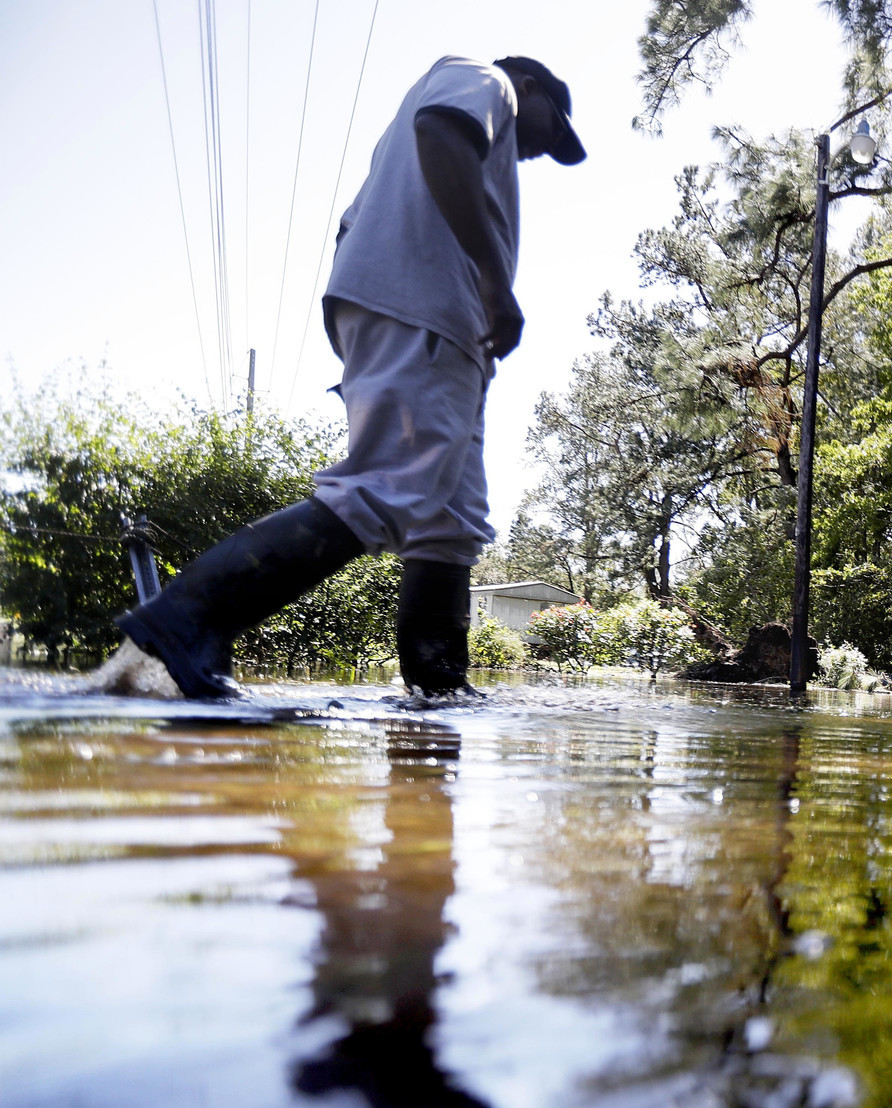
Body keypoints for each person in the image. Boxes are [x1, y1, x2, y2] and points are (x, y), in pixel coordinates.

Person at [110, 55, 585, 701]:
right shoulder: (483, 79)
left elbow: (350, 227)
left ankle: (437, 684)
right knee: (389, 486)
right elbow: (441, 130)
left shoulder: (452, 132)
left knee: (450, 518)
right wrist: (492, 284)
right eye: (555, 128)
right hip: (424, 309)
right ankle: (192, 615)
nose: (548, 148)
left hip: (443, 330)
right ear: (529, 85)